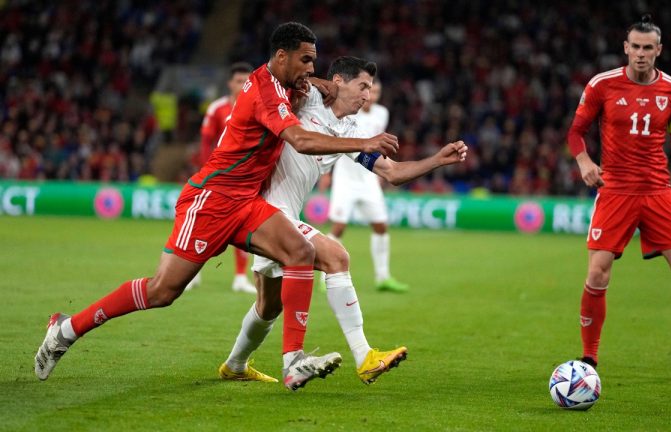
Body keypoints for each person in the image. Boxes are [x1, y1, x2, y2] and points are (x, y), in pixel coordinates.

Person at [34, 22, 400, 391]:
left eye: (314, 62)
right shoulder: (264, 93)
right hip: (212, 199)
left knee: (299, 250)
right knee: (163, 291)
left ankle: (293, 361)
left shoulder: (288, 84)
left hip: (246, 201)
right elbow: (301, 141)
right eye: (306, 61)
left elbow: (315, 87)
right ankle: (66, 328)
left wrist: (322, 82)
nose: (310, 69)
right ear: (281, 56)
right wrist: (365, 142)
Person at [217, 56, 467, 385]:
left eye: (371, 88)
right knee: (337, 257)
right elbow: (284, 78)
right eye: (362, 86)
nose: (368, 95)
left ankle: (235, 365)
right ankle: (363, 357)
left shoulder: (350, 131)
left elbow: (392, 173)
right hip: (262, 209)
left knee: (268, 306)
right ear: (339, 82)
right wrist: (318, 82)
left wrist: (437, 160)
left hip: (283, 214)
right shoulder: (305, 99)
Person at [567, 14, 671, 381]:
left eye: (647, 48)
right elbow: (576, 131)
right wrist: (584, 161)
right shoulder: (602, 85)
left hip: (657, 192)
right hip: (615, 191)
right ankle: (589, 360)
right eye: (634, 47)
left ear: (658, 50)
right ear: (626, 48)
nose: (640, 54)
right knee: (597, 273)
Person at [323, 78, 409, 293]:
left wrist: (381, 172)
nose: (372, 95)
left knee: (381, 226)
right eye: (369, 90)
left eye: (377, 91)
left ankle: (383, 277)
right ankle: (326, 274)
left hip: (369, 179)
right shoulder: (350, 110)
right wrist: (328, 172)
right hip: (345, 178)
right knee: (339, 227)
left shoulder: (382, 113)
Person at [185, 61, 257, 294]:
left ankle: (239, 277)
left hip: (244, 179)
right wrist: (208, 169)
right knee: (205, 225)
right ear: (229, 83)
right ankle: (191, 273)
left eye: (247, 81)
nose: (243, 85)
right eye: (238, 81)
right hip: (217, 177)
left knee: (243, 224)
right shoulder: (217, 108)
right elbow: (207, 141)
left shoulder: (257, 107)